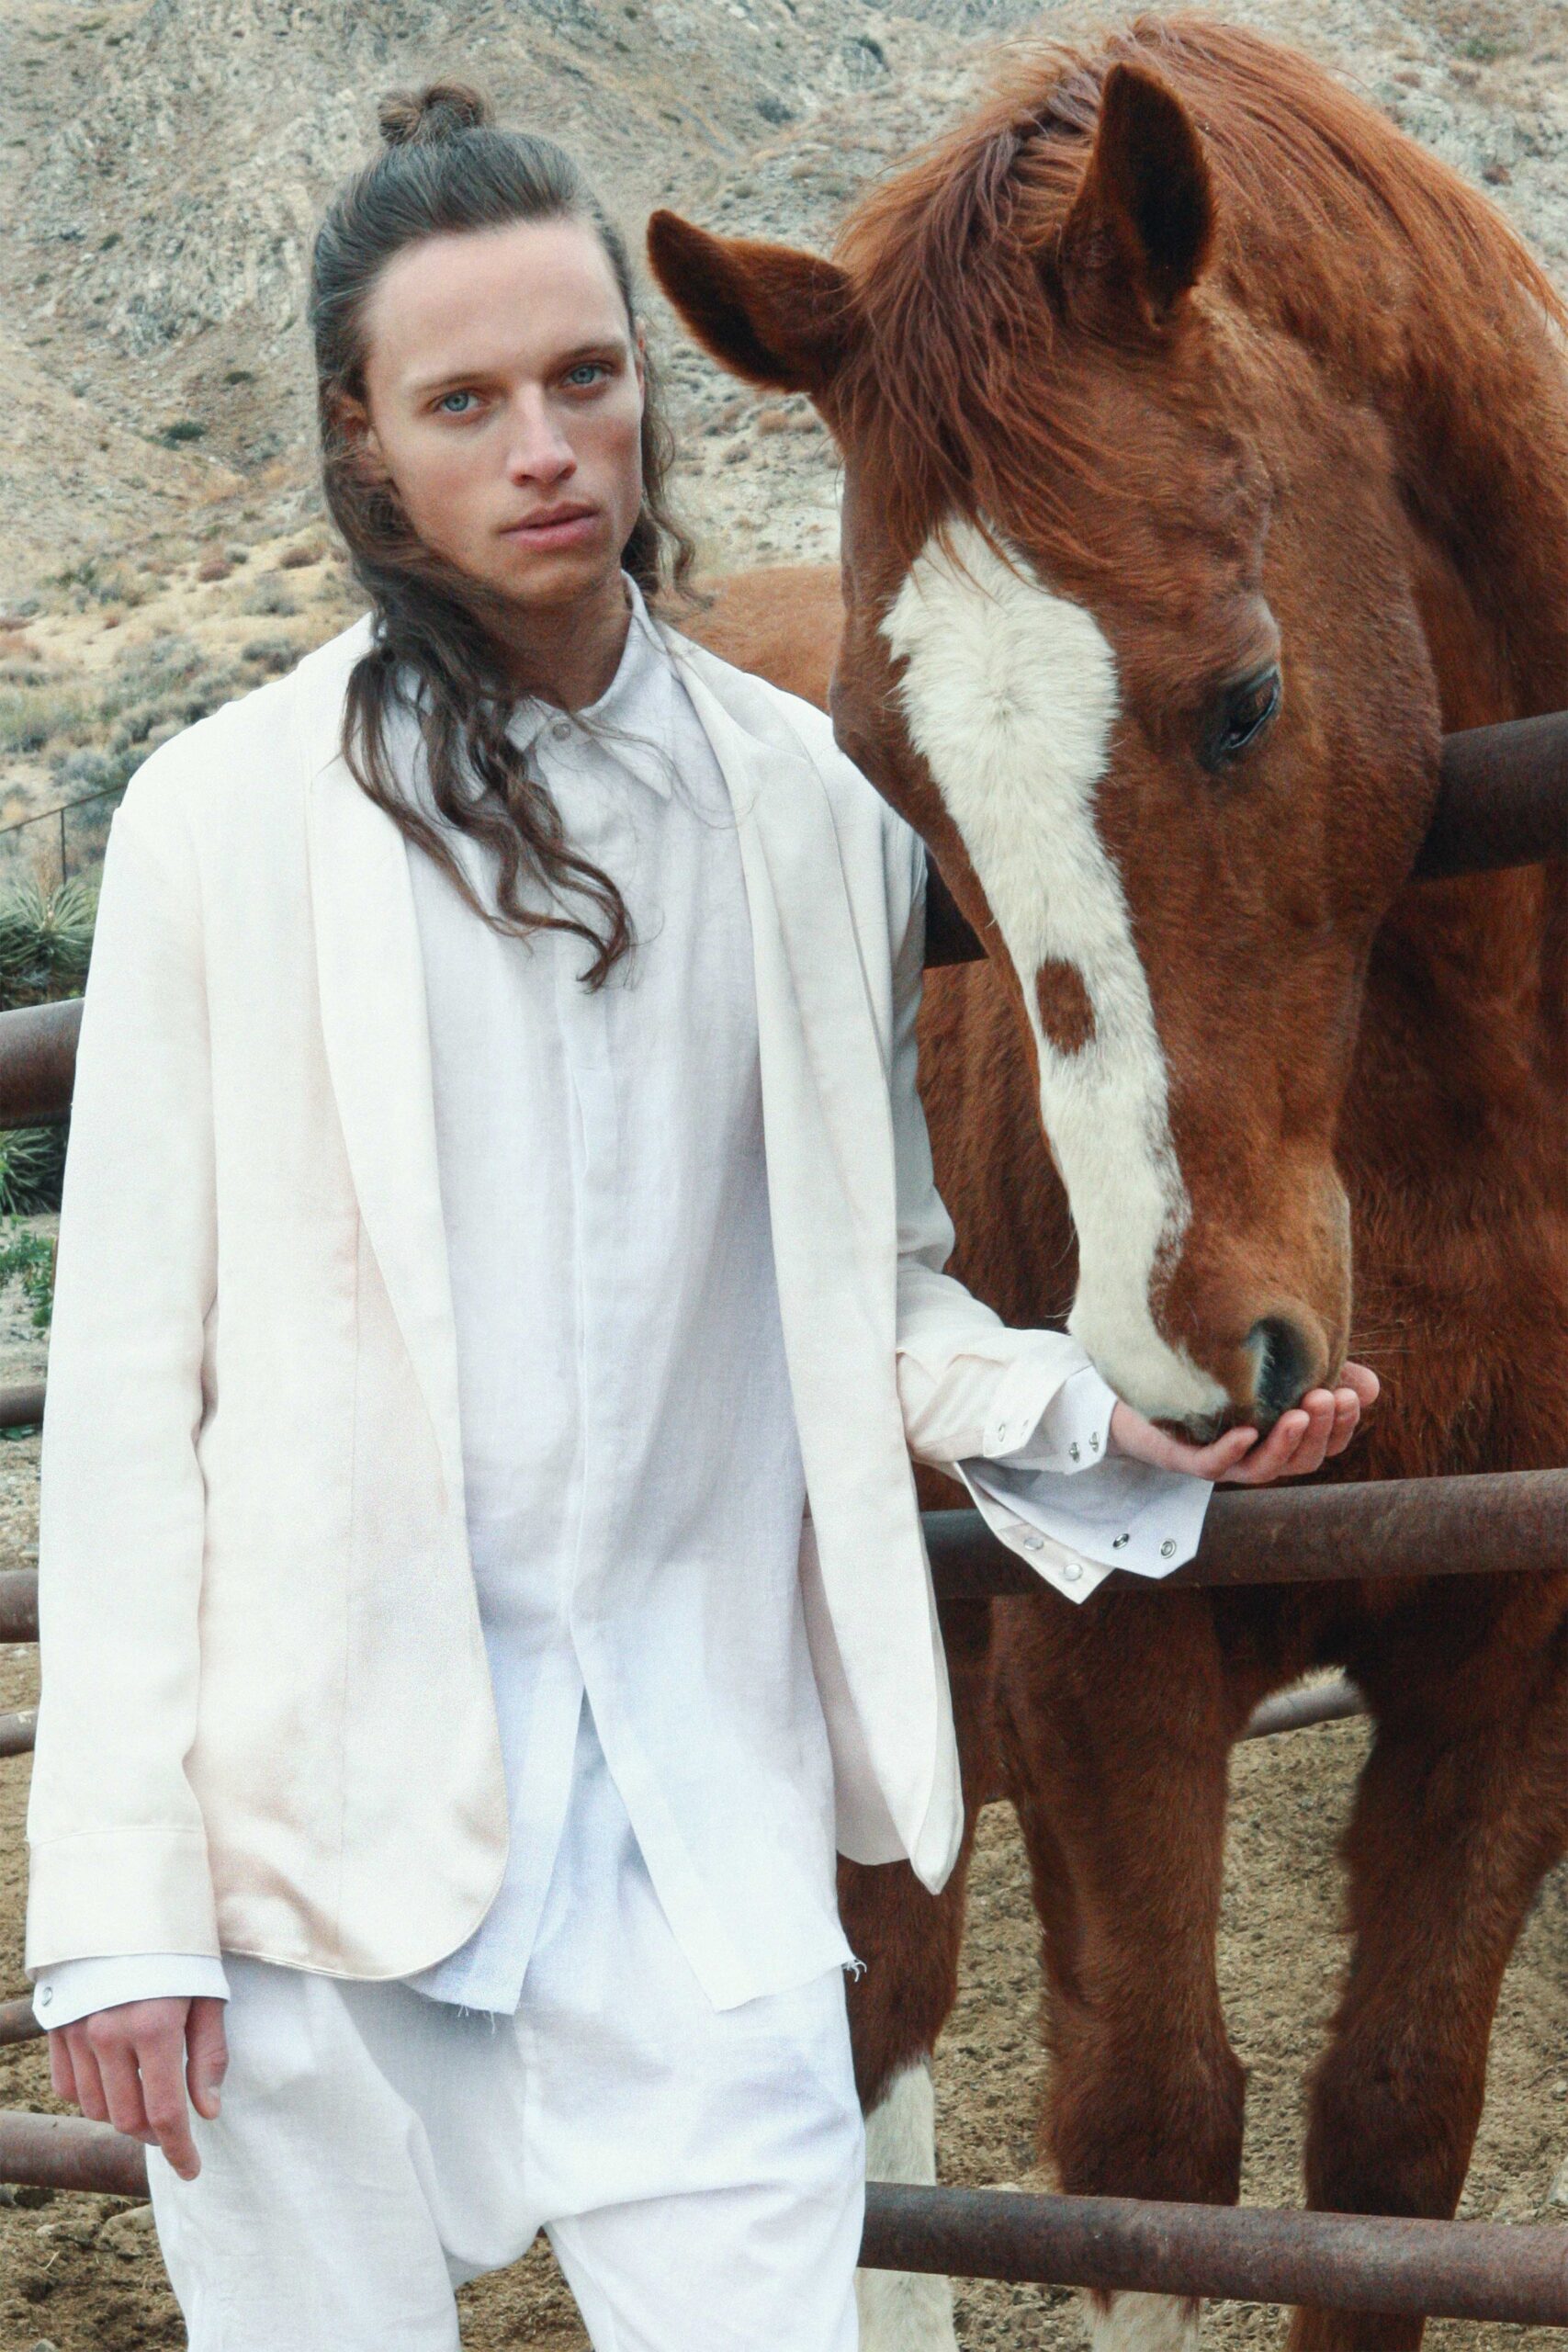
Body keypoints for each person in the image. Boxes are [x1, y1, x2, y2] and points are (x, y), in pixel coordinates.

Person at [23, 84, 1378, 2352]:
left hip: (703, 1831)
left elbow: (865, 1288)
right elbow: (130, 1385)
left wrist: (1092, 1415)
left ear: (645, 394)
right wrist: (118, 1906)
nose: (541, 440)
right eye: (462, 398)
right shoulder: (212, 820)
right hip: (301, 1857)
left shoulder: (807, 812)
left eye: (584, 374)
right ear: (369, 448)